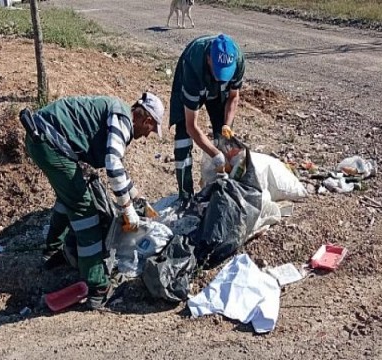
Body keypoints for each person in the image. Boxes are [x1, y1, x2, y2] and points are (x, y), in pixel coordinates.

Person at [19, 93, 164, 309]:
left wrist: (135, 196)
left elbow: (116, 165)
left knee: (69, 195)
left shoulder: (118, 111)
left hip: (41, 137)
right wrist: (127, 209)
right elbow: (113, 164)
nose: (147, 135)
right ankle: (98, 285)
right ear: (147, 120)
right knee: (85, 211)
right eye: (150, 130)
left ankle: (53, 251)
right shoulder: (123, 122)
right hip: (48, 141)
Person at [169, 33, 245, 204]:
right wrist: (215, 155)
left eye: (225, 73)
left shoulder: (238, 60)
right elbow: (191, 125)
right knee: (183, 139)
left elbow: (233, 97)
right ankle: (185, 196)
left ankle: (221, 191)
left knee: (225, 139)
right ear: (209, 59)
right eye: (218, 72)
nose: (220, 78)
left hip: (218, 94)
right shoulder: (193, 65)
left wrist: (226, 125)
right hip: (194, 77)